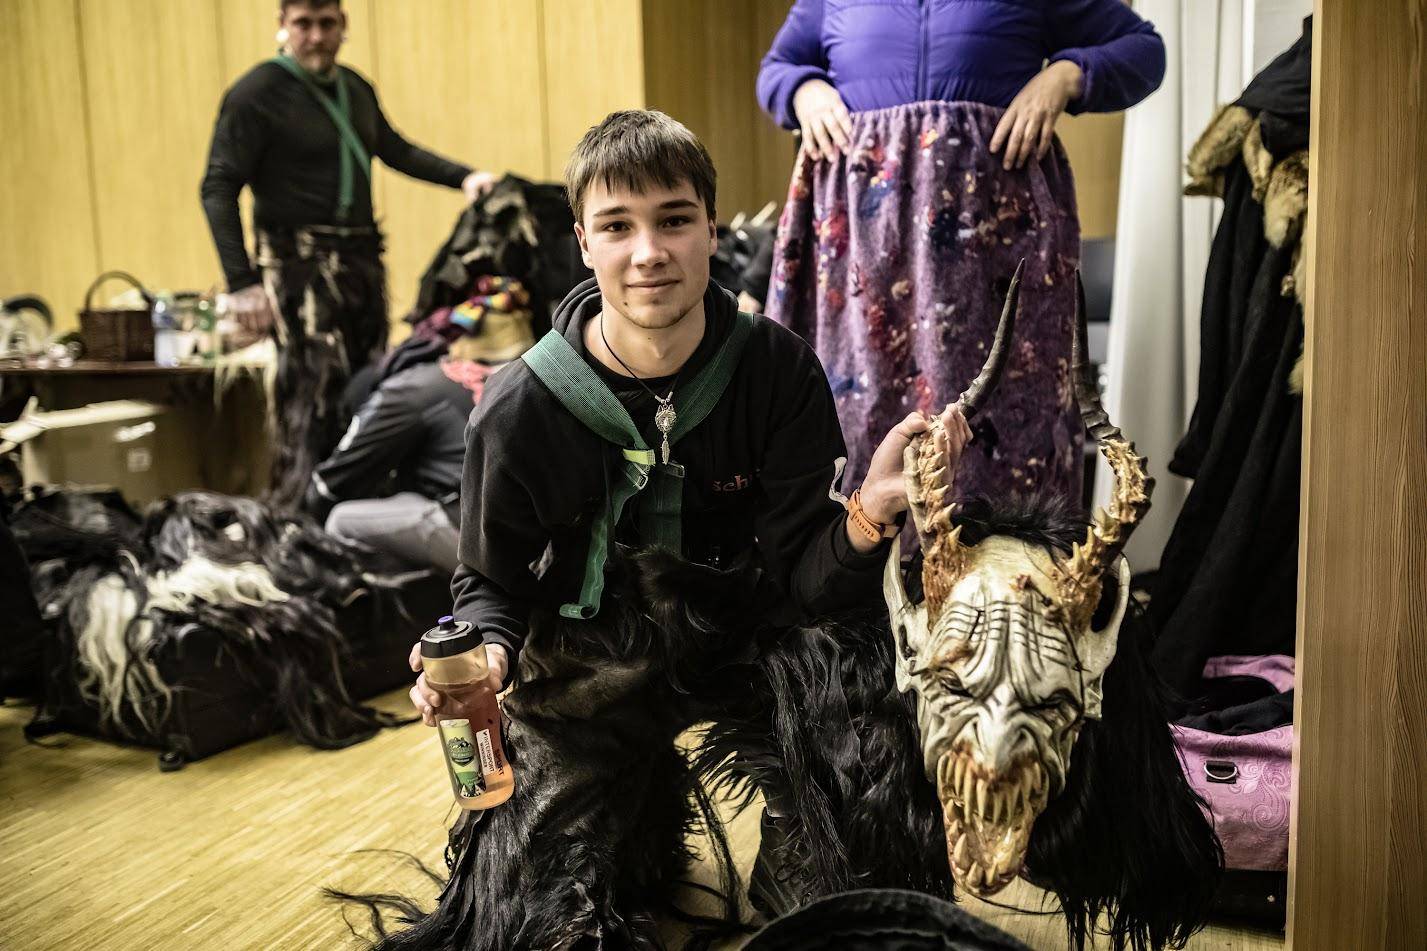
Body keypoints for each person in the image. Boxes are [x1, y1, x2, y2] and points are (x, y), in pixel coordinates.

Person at [407, 107, 971, 724]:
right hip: (585, 677)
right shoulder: (520, 406)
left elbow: (807, 584)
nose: (649, 253)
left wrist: (872, 511)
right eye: (616, 226)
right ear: (584, 243)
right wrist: (487, 654)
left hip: (749, 662)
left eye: (674, 220)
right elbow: (491, 580)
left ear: (711, 228)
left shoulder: (778, 369)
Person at [756, 0, 1165, 504]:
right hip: (865, 257)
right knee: (856, 425)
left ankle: (1003, 557)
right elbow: (776, 69)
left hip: (993, 255)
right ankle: (856, 551)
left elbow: (1145, 52)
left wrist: (1063, 76)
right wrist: (802, 90)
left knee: (999, 429)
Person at [200, 0, 498, 509]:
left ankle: (353, 515)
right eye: (303, 24)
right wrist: (242, 284)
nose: (316, 37)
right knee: (311, 400)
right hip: (300, 275)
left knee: (366, 388)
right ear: (282, 26)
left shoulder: (354, 88)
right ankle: (298, 518)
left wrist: (465, 178)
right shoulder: (256, 93)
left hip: (359, 265)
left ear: (344, 26)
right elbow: (218, 186)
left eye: (327, 24)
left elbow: (395, 149)